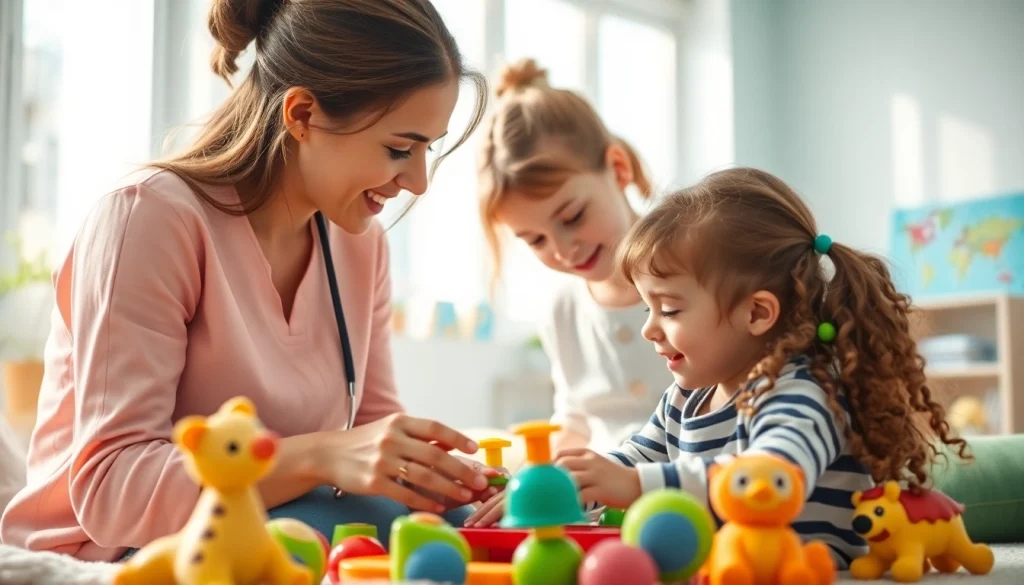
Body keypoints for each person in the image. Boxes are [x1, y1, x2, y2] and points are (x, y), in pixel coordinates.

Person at [0, 0, 504, 560]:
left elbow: (371, 433)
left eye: (426, 150)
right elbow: (114, 489)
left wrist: (444, 480)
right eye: (398, 149)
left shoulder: (360, 245)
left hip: (281, 526)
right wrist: (320, 456)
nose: (417, 182)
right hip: (119, 553)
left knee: (469, 528)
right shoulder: (148, 220)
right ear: (303, 115)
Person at [467, 167, 970, 569]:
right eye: (647, 309)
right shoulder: (686, 399)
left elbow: (772, 478)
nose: (650, 329)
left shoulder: (802, 393)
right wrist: (565, 483)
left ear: (756, 313)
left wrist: (634, 486)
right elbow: (632, 458)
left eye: (670, 309)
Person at [476, 58, 670, 455]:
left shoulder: (696, 274)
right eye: (535, 240)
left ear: (617, 169)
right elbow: (574, 421)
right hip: (606, 507)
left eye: (572, 217)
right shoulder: (562, 311)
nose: (563, 250)